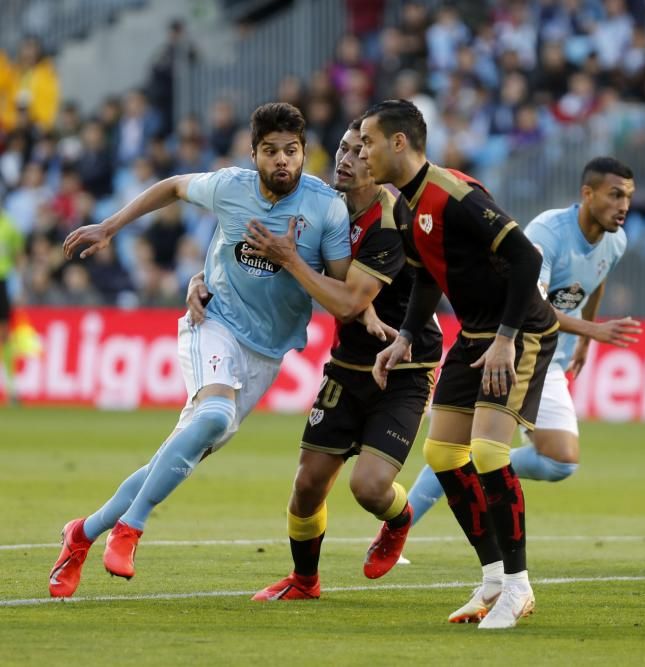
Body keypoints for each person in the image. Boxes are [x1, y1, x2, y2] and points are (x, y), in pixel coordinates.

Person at [48, 102, 353, 598]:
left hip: (265, 354)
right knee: (212, 416)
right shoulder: (231, 187)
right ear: (253, 154)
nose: (282, 161)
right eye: (271, 151)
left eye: (292, 151)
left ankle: (81, 532)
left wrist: (292, 260)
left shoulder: (327, 208)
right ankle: (131, 528)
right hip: (211, 322)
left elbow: (339, 293)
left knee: (177, 455)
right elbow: (170, 186)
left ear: (304, 153)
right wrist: (110, 226)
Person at [219, 118, 442, 601]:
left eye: (360, 151)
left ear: (380, 160)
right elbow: (244, 241)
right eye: (343, 147)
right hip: (347, 365)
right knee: (307, 486)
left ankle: (399, 518)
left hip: (402, 366)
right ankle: (304, 581)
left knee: (369, 488)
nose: (346, 158)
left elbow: (346, 303)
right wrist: (205, 282)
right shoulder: (326, 204)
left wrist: (292, 260)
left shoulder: (388, 223)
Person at [360, 99, 558, 629]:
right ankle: (493, 577)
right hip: (474, 335)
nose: (361, 151)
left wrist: (506, 339)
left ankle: (519, 588)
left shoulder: (454, 194)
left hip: (521, 333)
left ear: (399, 142)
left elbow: (527, 258)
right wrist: (404, 336)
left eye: (368, 141)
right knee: (444, 454)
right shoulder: (403, 206)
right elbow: (428, 275)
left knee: (490, 452)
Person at [405, 157, 642, 528]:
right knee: (466, 448)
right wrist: (592, 331)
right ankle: (400, 522)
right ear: (588, 193)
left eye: (628, 196)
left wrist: (584, 337)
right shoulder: (548, 231)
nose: (624, 205)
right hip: (517, 346)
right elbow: (534, 304)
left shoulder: (617, 241)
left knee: (560, 460)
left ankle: (474, 463)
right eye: (615, 195)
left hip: (553, 359)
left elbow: (598, 277)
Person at [0, 207, 24, 404]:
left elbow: (18, 259)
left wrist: (19, 286)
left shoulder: (10, 227)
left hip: (3, 282)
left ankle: (11, 387)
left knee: (5, 335)